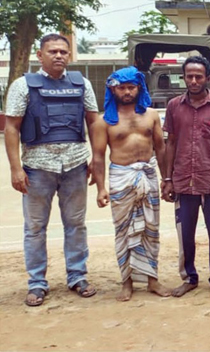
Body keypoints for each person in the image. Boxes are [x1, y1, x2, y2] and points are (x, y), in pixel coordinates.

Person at [3, 34, 99, 306]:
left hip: (76, 166)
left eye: (63, 51)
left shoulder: (82, 84)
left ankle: (78, 277)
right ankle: (36, 283)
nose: (59, 56)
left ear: (69, 55)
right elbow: (11, 128)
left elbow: (94, 123)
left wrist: (96, 159)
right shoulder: (23, 86)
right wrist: (15, 169)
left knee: (76, 225)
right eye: (53, 51)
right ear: (39, 55)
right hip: (36, 168)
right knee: (35, 228)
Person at [90, 66, 172, 301]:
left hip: (147, 176)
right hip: (121, 178)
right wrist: (101, 188)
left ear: (139, 88)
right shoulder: (103, 121)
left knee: (151, 229)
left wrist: (166, 179)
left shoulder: (151, 115)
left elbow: (161, 148)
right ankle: (126, 282)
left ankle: (152, 280)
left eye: (131, 87)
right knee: (123, 231)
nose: (126, 92)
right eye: (121, 88)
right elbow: (98, 157)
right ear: (113, 90)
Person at [161, 56, 210, 298]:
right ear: (183, 77)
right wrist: (168, 179)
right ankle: (189, 278)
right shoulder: (173, 106)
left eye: (198, 76)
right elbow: (170, 142)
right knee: (185, 234)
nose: (193, 81)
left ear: (208, 78)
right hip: (183, 180)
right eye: (189, 76)